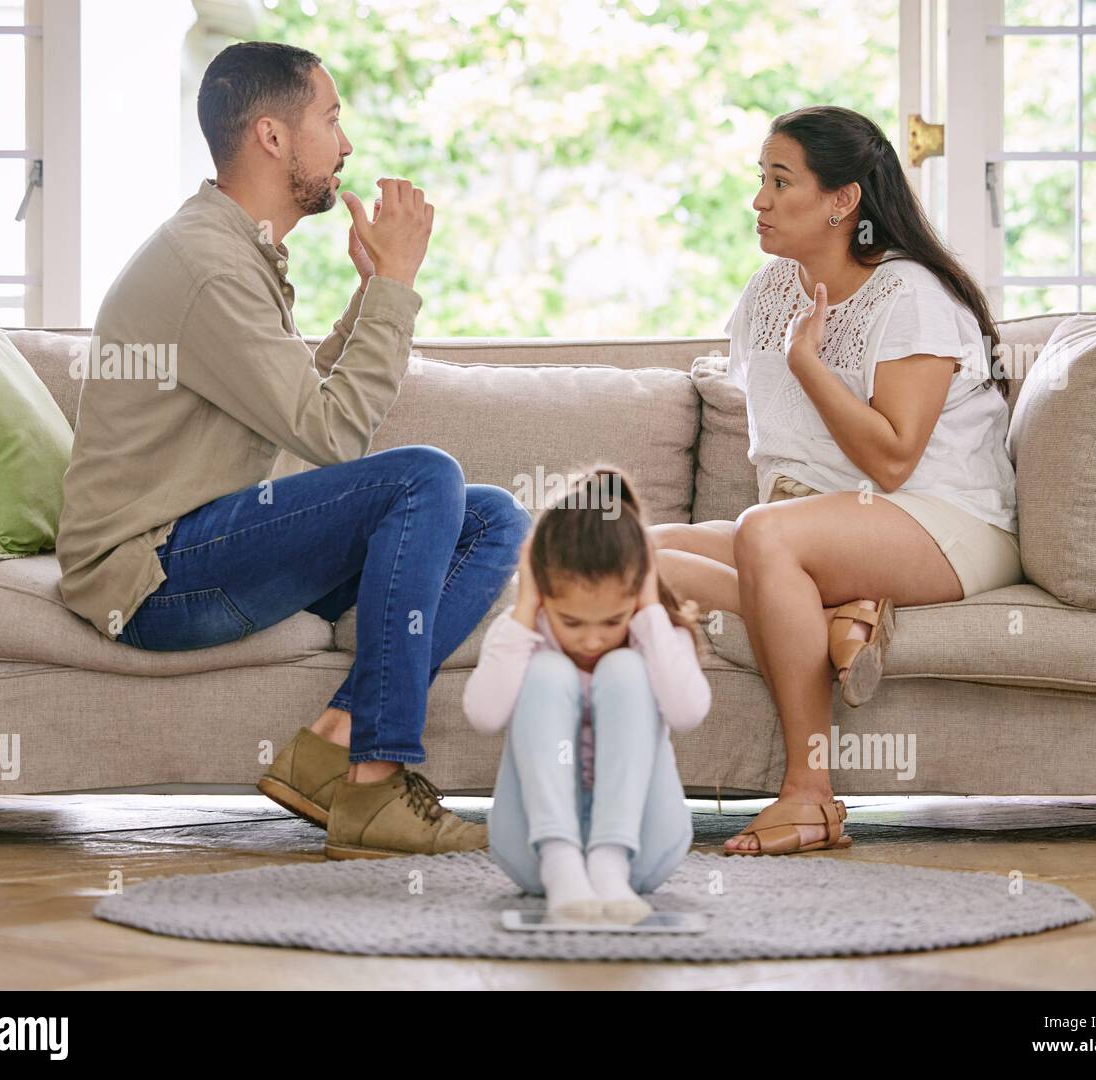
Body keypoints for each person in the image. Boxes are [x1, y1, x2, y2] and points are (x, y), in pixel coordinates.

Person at [55, 41, 529, 859]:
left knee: (490, 517)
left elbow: (295, 400)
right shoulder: (208, 265)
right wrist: (396, 288)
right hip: (151, 574)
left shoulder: (230, 247)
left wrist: (366, 297)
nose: (345, 144)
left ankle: (335, 738)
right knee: (426, 478)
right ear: (273, 137)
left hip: (204, 540)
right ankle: (376, 784)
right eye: (331, 117)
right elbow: (334, 435)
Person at [650, 105, 1022, 857]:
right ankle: (834, 607)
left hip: (948, 519)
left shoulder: (907, 292)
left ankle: (809, 796)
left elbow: (892, 460)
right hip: (831, 527)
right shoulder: (769, 292)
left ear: (841, 201)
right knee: (627, 551)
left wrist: (808, 365)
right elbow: (787, 458)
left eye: (780, 181)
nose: (759, 199)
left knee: (766, 535)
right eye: (761, 178)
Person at [463, 467, 711, 923]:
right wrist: (525, 611)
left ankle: (608, 862)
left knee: (625, 669)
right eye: (572, 622)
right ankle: (564, 864)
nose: (593, 640)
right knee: (546, 670)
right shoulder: (526, 631)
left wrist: (651, 607)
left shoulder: (649, 629)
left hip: (644, 849)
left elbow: (689, 712)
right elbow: (483, 715)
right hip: (535, 855)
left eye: (612, 620)